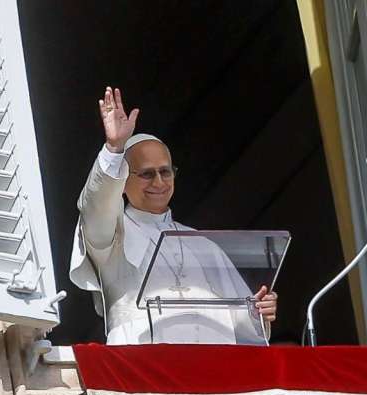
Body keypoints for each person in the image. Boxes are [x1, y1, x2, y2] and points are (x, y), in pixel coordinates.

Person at [70, 86, 278, 344]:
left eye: (165, 172)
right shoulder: (111, 235)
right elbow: (96, 205)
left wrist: (258, 311)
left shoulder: (202, 244)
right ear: (123, 181)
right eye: (147, 174)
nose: (159, 182)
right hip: (141, 357)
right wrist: (114, 148)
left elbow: (244, 325)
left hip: (209, 360)